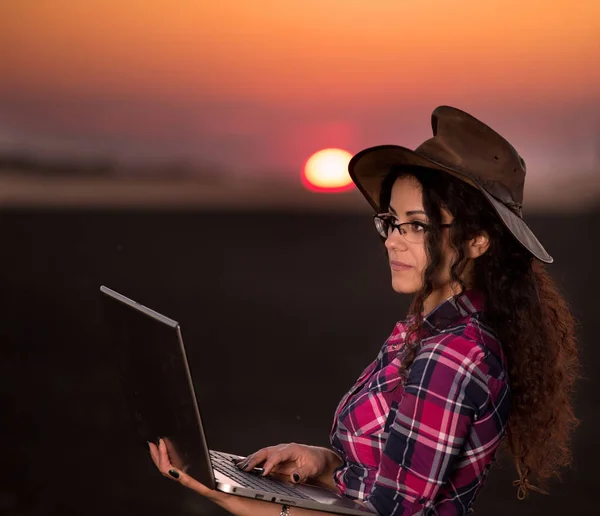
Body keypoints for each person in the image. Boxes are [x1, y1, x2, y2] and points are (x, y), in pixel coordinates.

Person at [148, 106, 579, 515]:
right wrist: (324, 463)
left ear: (476, 241)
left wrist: (251, 504)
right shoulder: (424, 329)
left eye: (416, 224)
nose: (392, 240)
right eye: (391, 221)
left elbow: (393, 512)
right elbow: (385, 482)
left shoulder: (452, 355)